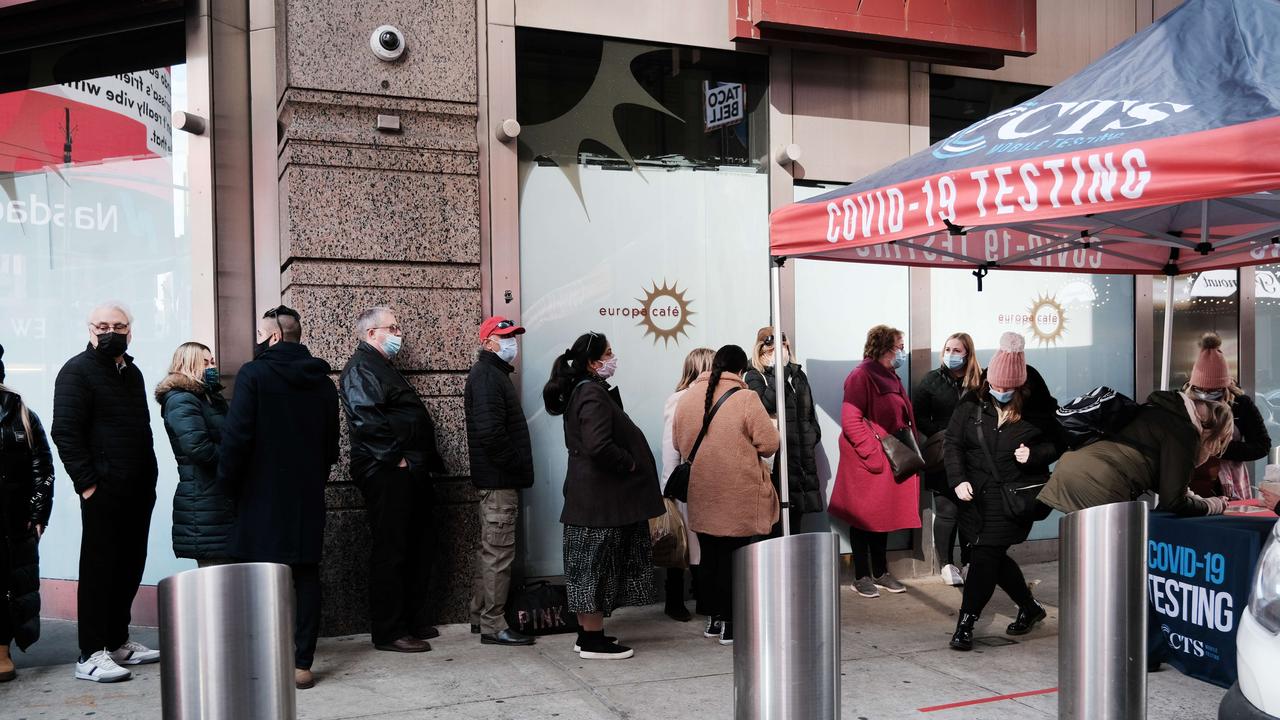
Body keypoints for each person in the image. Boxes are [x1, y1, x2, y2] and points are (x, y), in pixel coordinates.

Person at [219, 305, 339, 689]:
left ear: (273, 336)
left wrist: (228, 485)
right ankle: (302, 663)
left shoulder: (254, 374)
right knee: (306, 575)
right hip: (305, 494)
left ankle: (261, 657)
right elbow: (331, 444)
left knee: (257, 578)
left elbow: (237, 437)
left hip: (259, 494)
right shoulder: (322, 381)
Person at [51, 302, 160, 683]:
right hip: (103, 491)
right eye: (102, 325)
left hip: (138, 489)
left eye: (118, 324)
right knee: (100, 571)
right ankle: (90, 653)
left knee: (129, 566)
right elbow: (64, 431)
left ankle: (116, 641)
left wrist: (150, 477)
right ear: (89, 330)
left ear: (131, 331)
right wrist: (88, 484)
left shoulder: (133, 373)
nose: (109, 330)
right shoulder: (76, 372)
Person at [542, 332, 663, 660]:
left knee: (588, 568)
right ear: (594, 363)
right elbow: (598, 444)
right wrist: (630, 462)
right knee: (595, 569)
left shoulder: (583, 392)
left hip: (591, 500)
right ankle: (592, 641)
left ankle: (588, 634)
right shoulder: (592, 394)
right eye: (608, 353)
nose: (613, 358)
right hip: (599, 502)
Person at [944, 333, 1061, 651]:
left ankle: (966, 623)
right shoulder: (971, 403)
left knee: (983, 555)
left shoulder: (1036, 410)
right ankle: (1030, 607)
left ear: (1021, 388)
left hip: (1012, 495)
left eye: (1008, 389)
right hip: (974, 495)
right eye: (996, 386)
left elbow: (1059, 443)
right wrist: (957, 479)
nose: (1000, 393)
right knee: (991, 555)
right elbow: (952, 442)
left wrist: (1034, 455)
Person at [339, 307, 446, 654]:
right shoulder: (361, 367)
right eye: (393, 327)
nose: (399, 333)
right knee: (393, 549)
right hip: (387, 471)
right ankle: (389, 631)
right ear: (371, 333)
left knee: (415, 545)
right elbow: (365, 419)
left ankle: (408, 620)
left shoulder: (379, 366)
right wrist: (396, 460)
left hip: (406, 470)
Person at [673, 345, 779, 646]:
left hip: (702, 492)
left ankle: (713, 618)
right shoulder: (745, 397)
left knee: (710, 557)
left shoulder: (688, 397)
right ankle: (733, 623)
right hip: (739, 493)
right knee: (737, 558)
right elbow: (769, 443)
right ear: (741, 370)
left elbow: (679, 443)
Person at [1040, 387, 1236, 517]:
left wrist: (1197, 499)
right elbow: (1173, 502)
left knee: (1086, 552)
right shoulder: (1185, 431)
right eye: (1218, 442)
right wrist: (1213, 505)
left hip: (1071, 468)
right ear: (1209, 428)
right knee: (1112, 557)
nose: (1214, 449)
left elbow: (1169, 483)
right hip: (1101, 484)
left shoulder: (1157, 410)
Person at [833, 325, 921, 598]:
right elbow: (851, 419)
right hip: (869, 459)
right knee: (863, 518)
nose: (902, 351)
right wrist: (872, 453)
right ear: (885, 347)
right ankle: (862, 576)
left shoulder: (890, 375)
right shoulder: (862, 375)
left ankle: (881, 572)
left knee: (881, 517)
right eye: (899, 345)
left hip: (887, 456)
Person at [463, 316, 536, 646]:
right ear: (487, 342)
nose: (511, 343)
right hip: (499, 481)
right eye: (504, 337)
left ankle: (480, 615)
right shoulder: (487, 377)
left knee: (489, 549)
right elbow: (491, 433)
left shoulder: (492, 375)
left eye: (513, 336)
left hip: (496, 480)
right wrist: (517, 463)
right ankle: (493, 624)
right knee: (498, 552)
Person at [0, 345, 54, 682]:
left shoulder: (18, 410)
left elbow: (43, 465)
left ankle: (1, 649)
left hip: (10, 518)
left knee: (8, 584)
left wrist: (38, 512)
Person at [912, 332, 982, 586]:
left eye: (957, 350)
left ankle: (969, 562)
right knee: (946, 511)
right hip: (942, 456)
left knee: (970, 511)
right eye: (948, 349)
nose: (951, 354)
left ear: (968, 354)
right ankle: (946, 564)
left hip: (974, 456)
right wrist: (943, 434)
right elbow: (917, 415)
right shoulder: (932, 380)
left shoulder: (980, 381)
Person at [155, 342, 232, 566]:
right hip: (204, 498)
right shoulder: (181, 399)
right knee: (215, 577)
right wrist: (235, 457)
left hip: (216, 497)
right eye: (205, 363)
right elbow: (197, 447)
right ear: (187, 365)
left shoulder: (209, 397)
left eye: (213, 362)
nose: (211, 367)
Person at [743, 328, 821, 535]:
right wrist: (780, 372)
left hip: (799, 458)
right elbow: (766, 406)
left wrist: (812, 437)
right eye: (772, 347)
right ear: (761, 349)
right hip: (774, 461)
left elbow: (809, 413)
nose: (780, 351)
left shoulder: (798, 375)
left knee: (795, 520)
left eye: (783, 346)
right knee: (772, 521)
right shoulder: (753, 375)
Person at [659, 347, 714, 622]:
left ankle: (702, 597)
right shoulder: (679, 399)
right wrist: (669, 487)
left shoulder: (717, 397)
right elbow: (670, 446)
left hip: (711, 482)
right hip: (687, 484)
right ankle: (675, 599)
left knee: (704, 543)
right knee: (681, 543)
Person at [1183, 333, 1271, 500]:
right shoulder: (1184, 403)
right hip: (1191, 481)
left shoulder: (1241, 404)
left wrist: (1219, 448)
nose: (1206, 394)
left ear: (1225, 386)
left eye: (1213, 390)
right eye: (1201, 390)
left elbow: (1262, 445)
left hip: (1231, 483)